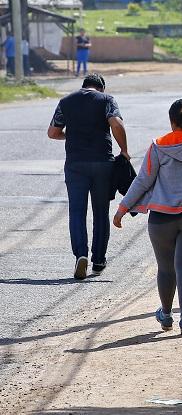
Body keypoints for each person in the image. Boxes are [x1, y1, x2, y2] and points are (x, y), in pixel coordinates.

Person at [113, 99, 182, 336]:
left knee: (166, 268)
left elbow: (143, 180)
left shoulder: (158, 147)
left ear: (171, 121)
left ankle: (166, 315)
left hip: (162, 218)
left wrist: (123, 208)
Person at [47, 73, 129, 279]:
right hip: (103, 163)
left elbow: (53, 132)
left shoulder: (66, 102)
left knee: (77, 211)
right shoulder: (107, 100)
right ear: (101, 88)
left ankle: (80, 255)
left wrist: (72, 134)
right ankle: (99, 260)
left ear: (84, 86)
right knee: (101, 212)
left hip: (75, 165)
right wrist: (124, 150)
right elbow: (117, 125)